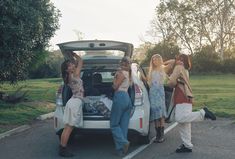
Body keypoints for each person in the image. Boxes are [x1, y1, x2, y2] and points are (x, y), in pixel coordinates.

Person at [167, 54, 216, 153]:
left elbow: (171, 82)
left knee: (180, 118)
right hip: (187, 96)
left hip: (181, 96)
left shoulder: (178, 67)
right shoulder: (185, 69)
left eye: (178, 59)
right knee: (184, 123)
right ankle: (187, 145)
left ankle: (203, 113)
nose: (176, 60)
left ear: (180, 60)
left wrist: (171, 81)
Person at [59, 52, 84, 157]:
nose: (73, 65)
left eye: (72, 64)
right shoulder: (75, 74)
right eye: (70, 65)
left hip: (74, 101)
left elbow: (78, 63)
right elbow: (81, 61)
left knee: (67, 127)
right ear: (67, 69)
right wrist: (73, 54)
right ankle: (63, 149)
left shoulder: (69, 76)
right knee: (68, 128)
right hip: (74, 102)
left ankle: (62, 147)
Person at [110, 56, 132, 156]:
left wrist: (114, 77)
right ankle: (121, 150)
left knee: (114, 124)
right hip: (127, 98)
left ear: (122, 64)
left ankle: (124, 143)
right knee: (123, 125)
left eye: (122, 64)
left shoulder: (120, 73)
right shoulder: (129, 73)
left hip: (120, 97)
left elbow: (115, 87)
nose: (121, 65)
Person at [148, 54, 167, 143]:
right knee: (155, 114)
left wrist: (163, 63)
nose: (154, 61)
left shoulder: (162, 68)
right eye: (153, 60)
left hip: (159, 92)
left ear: (159, 60)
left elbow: (172, 62)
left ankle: (161, 135)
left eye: (156, 60)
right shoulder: (151, 70)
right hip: (152, 93)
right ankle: (157, 135)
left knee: (161, 114)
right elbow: (149, 82)